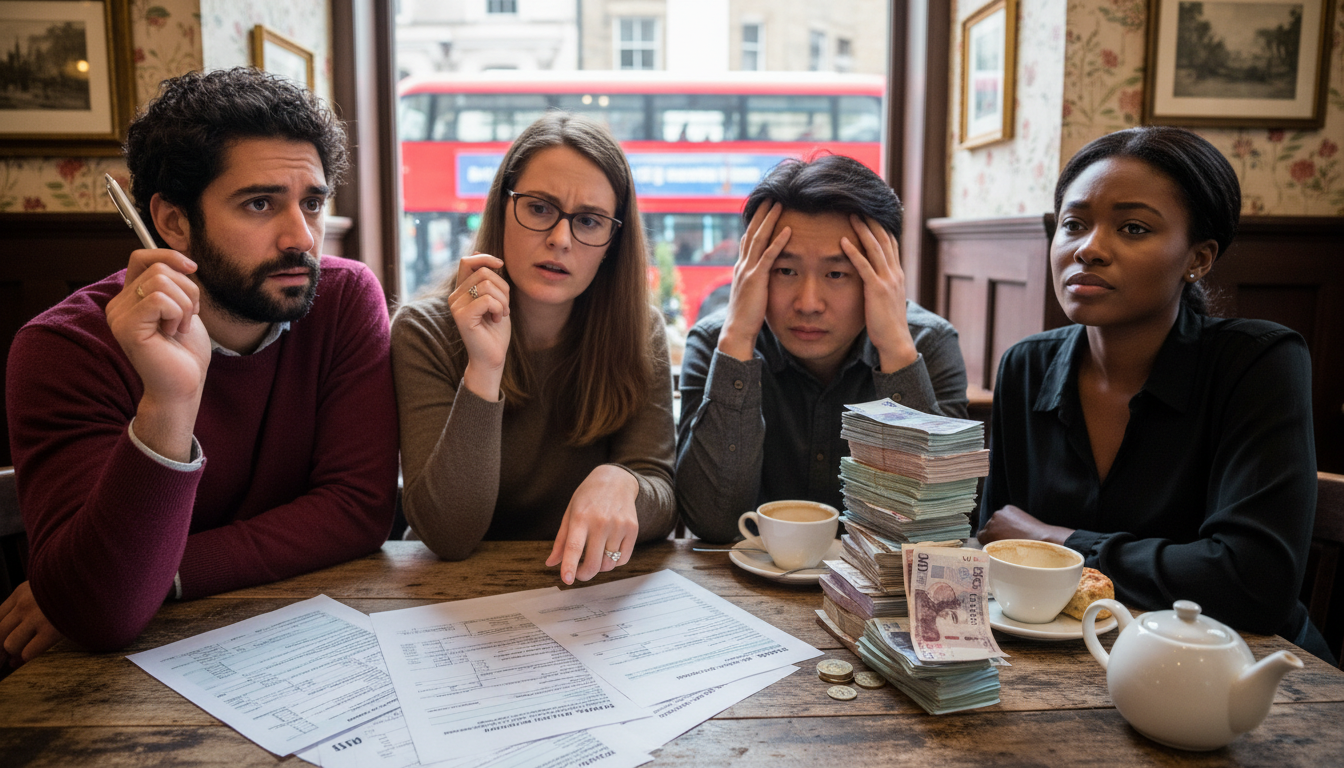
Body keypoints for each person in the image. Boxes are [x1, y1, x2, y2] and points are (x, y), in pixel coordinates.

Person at [0, 68, 399, 666]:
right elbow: (101, 615)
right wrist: (169, 402)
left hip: (306, 647)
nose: (302, 238)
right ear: (174, 222)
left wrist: (161, 572)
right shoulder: (63, 348)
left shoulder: (342, 300)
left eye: (312, 203)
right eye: (260, 203)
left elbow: (357, 510)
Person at [977, 126, 1331, 662]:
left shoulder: (1259, 362)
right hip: (1063, 664)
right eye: (1073, 224)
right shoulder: (1026, 365)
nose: (1088, 249)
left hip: (1237, 670)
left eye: (1134, 228)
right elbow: (999, 546)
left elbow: (1255, 582)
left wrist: (1060, 540)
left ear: (1199, 258)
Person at [392, 112, 675, 584]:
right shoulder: (423, 331)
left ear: (612, 242)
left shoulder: (639, 331)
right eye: (540, 208)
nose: (561, 240)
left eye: (588, 221)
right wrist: (485, 366)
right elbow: (449, 534)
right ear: (501, 209)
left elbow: (662, 499)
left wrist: (624, 482)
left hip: (583, 591)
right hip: (449, 598)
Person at [676, 155, 970, 543]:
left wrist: (897, 353)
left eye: (837, 274)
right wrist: (737, 342)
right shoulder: (717, 343)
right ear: (751, 269)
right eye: (785, 271)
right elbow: (713, 521)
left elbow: (937, 526)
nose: (809, 303)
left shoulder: (928, 345)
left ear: (883, 273)